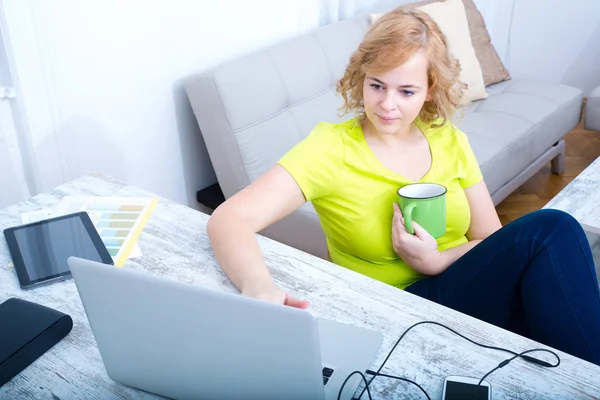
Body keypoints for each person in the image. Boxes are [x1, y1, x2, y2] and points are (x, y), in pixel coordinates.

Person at [206, 7, 600, 365]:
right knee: (552, 231)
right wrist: (258, 287)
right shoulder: (330, 149)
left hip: (460, 288)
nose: (387, 105)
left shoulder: (447, 139)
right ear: (361, 78)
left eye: (406, 91)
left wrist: (438, 260)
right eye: (376, 85)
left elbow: (491, 239)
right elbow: (230, 219)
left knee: (555, 299)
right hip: (395, 311)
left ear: (430, 91)